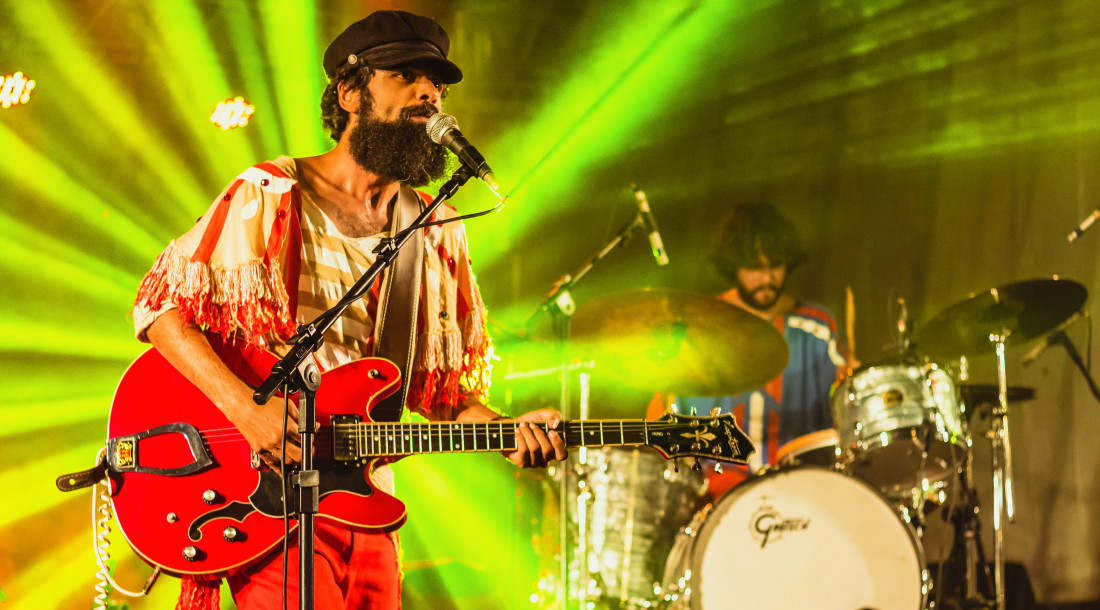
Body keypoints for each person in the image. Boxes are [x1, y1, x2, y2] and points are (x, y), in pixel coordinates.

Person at [131, 10, 565, 609]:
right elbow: (159, 309)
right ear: (350, 91)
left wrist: (505, 432)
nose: (427, 93)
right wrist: (245, 410)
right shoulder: (272, 192)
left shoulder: (435, 229)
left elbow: (443, 402)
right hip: (266, 494)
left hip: (365, 500)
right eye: (405, 75)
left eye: (435, 84)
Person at [648, 202, 850, 496]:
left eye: (775, 266)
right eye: (755, 267)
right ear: (733, 264)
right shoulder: (699, 330)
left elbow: (848, 414)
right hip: (714, 496)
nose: (767, 279)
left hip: (804, 494)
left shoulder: (817, 328)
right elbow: (661, 417)